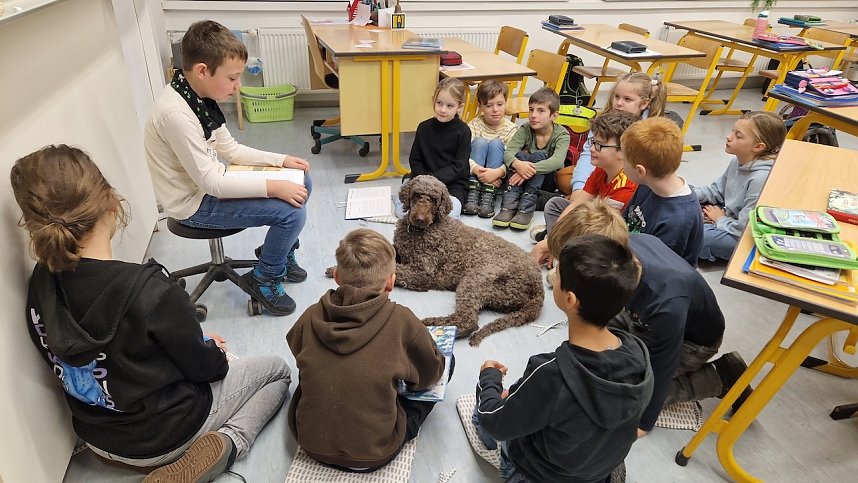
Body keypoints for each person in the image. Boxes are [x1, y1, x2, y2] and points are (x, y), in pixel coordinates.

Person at [12, 145, 291, 483]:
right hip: (165, 437)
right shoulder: (149, 290)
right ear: (112, 203)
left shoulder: (39, 283)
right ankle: (230, 443)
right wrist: (206, 349)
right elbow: (209, 369)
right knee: (277, 372)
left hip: (96, 437)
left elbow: (114, 356)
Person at [546, 199, 753, 438]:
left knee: (624, 394)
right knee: (599, 354)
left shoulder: (666, 302)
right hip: (639, 317)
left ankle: (719, 377)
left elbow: (663, 365)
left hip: (692, 343)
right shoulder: (621, 248)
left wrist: (643, 423)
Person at [144, 20, 310, 316]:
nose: (238, 86)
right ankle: (265, 277)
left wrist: (280, 160)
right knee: (291, 212)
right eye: (233, 78)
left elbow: (230, 150)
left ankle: (278, 255)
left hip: (211, 184)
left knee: (302, 181)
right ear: (203, 70)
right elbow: (213, 184)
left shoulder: (196, 95)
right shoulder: (176, 114)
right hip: (193, 205)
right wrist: (273, 186)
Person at [472, 232, 653, 483]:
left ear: (570, 299)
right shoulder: (639, 353)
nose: (553, 276)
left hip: (543, 474)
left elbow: (497, 423)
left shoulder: (550, 373)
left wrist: (489, 379)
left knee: (488, 408)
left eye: (557, 273)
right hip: (598, 472)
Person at [286, 228, 447, 471]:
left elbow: (297, 350)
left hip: (310, 444)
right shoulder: (403, 321)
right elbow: (428, 376)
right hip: (374, 455)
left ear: (337, 276)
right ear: (391, 282)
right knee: (445, 363)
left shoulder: (310, 315)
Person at [531, 110, 640, 266]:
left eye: (599, 145)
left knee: (586, 224)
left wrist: (549, 245)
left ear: (623, 151)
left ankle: (567, 257)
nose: (592, 149)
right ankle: (557, 248)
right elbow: (576, 204)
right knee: (556, 205)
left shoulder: (627, 184)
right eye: (592, 142)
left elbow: (603, 229)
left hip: (610, 235)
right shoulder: (602, 169)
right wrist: (553, 239)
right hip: (596, 220)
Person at [695, 111, 786, 262]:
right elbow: (716, 191)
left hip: (744, 235)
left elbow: (745, 229)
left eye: (738, 135)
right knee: (684, 189)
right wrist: (685, 193)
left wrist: (720, 219)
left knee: (701, 236)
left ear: (758, 147)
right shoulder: (738, 161)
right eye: (732, 131)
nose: (729, 137)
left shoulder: (760, 178)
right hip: (728, 217)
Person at [621, 117, 703, 267]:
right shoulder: (648, 182)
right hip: (630, 254)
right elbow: (624, 222)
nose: (622, 163)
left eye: (624, 160)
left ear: (640, 170)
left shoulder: (678, 220)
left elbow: (657, 270)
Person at [493, 87, 571, 230]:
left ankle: (525, 209)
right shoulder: (525, 129)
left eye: (541, 111)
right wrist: (518, 164)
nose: (533, 115)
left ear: (554, 115)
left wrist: (526, 170)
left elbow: (557, 161)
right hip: (524, 178)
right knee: (520, 156)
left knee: (539, 156)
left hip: (545, 181)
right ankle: (509, 206)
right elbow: (508, 153)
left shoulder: (562, 134)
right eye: (531, 109)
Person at [404, 77, 471, 217]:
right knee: (401, 211)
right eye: (439, 103)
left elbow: (459, 167)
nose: (443, 110)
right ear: (433, 100)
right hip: (423, 181)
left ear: (460, 106)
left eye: (450, 106)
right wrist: (425, 181)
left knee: (449, 215)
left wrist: (433, 180)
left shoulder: (463, 131)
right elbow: (415, 160)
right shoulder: (423, 127)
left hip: (452, 185)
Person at [463, 80, 519, 218]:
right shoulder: (474, 125)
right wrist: (476, 170)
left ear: (506, 103)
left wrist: (498, 173)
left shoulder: (511, 129)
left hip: (497, 176)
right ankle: (473, 191)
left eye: (500, 104)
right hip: (475, 174)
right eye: (489, 105)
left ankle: (489, 193)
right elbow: (464, 154)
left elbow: (512, 158)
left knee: (496, 144)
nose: (495, 110)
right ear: (480, 106)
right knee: (480, 142)